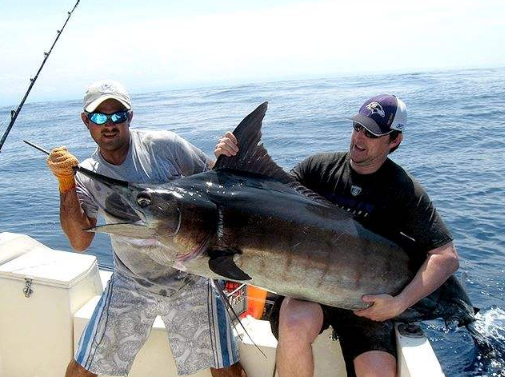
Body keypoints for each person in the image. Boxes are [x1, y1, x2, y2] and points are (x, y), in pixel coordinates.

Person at [214, 94, 459, 377]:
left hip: (367, 303)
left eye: (372, 133)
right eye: (358, 127)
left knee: (377, 372)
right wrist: (225, 163)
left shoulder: (404, 189)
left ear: (395, 141)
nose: (359, 138)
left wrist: (398, 304)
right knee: (293, 324)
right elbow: (262, 200)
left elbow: (446, 256)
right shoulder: (318, 169)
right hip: (311, 290)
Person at [46, 79, 247, 377]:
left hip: (189, 277)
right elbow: (79, 241)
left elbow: (217, 186)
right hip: (131, 283)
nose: (110, 124)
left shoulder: (165, 147)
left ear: (130, 116)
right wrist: (66, 186)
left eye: (118, 115)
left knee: (228, 371)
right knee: (80, 372)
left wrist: (226, 156)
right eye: (100, 117)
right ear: (86, 121)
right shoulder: (87, 175)